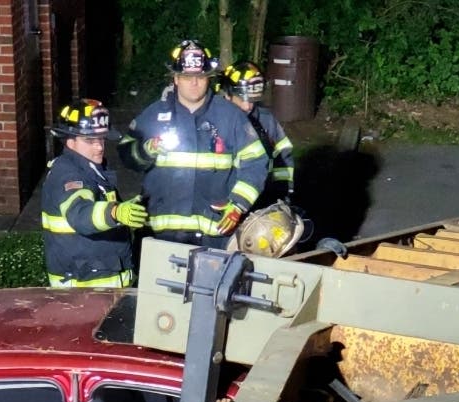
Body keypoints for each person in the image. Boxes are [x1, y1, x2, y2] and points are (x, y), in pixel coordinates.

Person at [119, 39, 267, 249]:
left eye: (200, 76)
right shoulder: (154, 114)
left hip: (214, 238)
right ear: (176, 78)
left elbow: (256, 162)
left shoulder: (230, 116)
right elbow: (126, 153)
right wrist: (145, 150)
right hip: (161, 237)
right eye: (188, 76)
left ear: (209, 78)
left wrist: (238, 204)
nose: (194, 82)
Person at [41, 99, 147, 288]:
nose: (99, 146)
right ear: (70, 141)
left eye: (101, 139)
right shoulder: (68, 174)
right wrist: (115, 213)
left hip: (99, 284)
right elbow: (81, 214)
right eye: (90, 141)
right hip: (85, 290)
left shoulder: (91, 169)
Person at [219, 60, 295, 205]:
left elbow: (283, 155)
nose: (247, 106)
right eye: (242, 99)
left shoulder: (266, 120)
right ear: (228, 94)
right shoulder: (214, 120)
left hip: (262, 198)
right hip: (224, 201)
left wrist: (282, 191)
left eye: (252, 99)